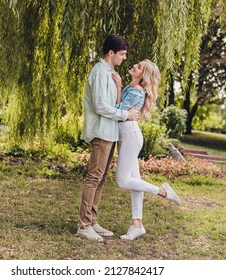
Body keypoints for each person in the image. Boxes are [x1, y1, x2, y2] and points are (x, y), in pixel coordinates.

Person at [77, 35, 139, 242]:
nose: (124, 58)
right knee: (94, 177)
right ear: (111, 53)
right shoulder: (99, 73)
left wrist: (120, 86)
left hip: (110, 132)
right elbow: (100, 106)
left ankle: (92, 221)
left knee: (101, 178)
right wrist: (126, 115)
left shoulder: (111, 74)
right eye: (122, 54)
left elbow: (114, 102)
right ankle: (84, 225)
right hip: (102, 132)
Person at [112, 59, 180, 241]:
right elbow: (121, 111)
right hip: (128, 134)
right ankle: (137, 224)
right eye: (137, 64)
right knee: (134, 182)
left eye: (139, 67)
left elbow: (117, 109)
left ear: (143, 76)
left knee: (122, 181)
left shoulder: (136, 91)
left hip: (130, 136)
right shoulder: (132, 87)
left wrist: (118, 87)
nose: (134, 65)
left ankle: (163, 192)